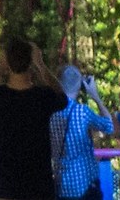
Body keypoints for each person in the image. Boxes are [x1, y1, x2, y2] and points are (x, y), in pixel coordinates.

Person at [0, 34, 65, 200]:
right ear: (31, 64)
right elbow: (62, 98)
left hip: (7, 188)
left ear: (7, 62)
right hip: (40, 188)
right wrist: (41, 65)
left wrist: (0, 68)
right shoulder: (42, 97)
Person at [47, 66, 113, 200]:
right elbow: (109, 126)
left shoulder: (49, 113)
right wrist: (95, 97)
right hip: (85, 186)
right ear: (80, 85)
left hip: (62, 186)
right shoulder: (81, 112)